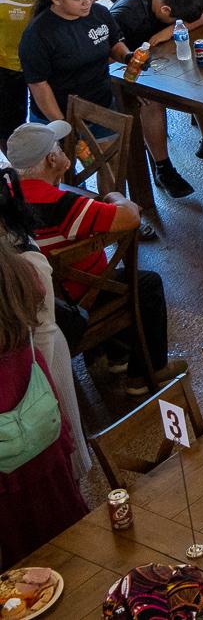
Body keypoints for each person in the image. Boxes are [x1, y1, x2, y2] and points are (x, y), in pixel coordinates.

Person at [4, 120, 176, 395]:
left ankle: (116, 355)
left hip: (34, 297)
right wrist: (115, 194)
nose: (62, 152)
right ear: (51, 159)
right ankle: (147, 373)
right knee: (148, 284)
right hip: (77, 298)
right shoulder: (61, 205)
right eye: (58, 148)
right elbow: (130, 217)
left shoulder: (8, 195)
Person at [0, 231, 89, 560]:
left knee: (19, 555)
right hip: (39, 417)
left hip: (4, 459)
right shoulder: (20, 274)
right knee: (68, 528)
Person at [105, 0, 203, 197]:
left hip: (161, 65)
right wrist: (132, 84)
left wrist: (169, 30)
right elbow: (105, 57)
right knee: (151, 101)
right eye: (176, 20)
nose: (179, 24)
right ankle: (163, 168)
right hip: (123, 75)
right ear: (165, 10)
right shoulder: (124, 15)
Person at [0, 0, 80, 139]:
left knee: (53, 122)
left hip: (50, 56)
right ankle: (21, 171)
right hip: (4, 59)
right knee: (8, 128)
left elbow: (83, 1)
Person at [18, 0, 122, 124]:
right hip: (59, 114)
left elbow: (115, 44)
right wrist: (62, 125)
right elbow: (39, 85)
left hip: (102, 108)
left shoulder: (100, 13)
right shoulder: (38, 34)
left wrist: (129, 56)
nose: (87, 1)